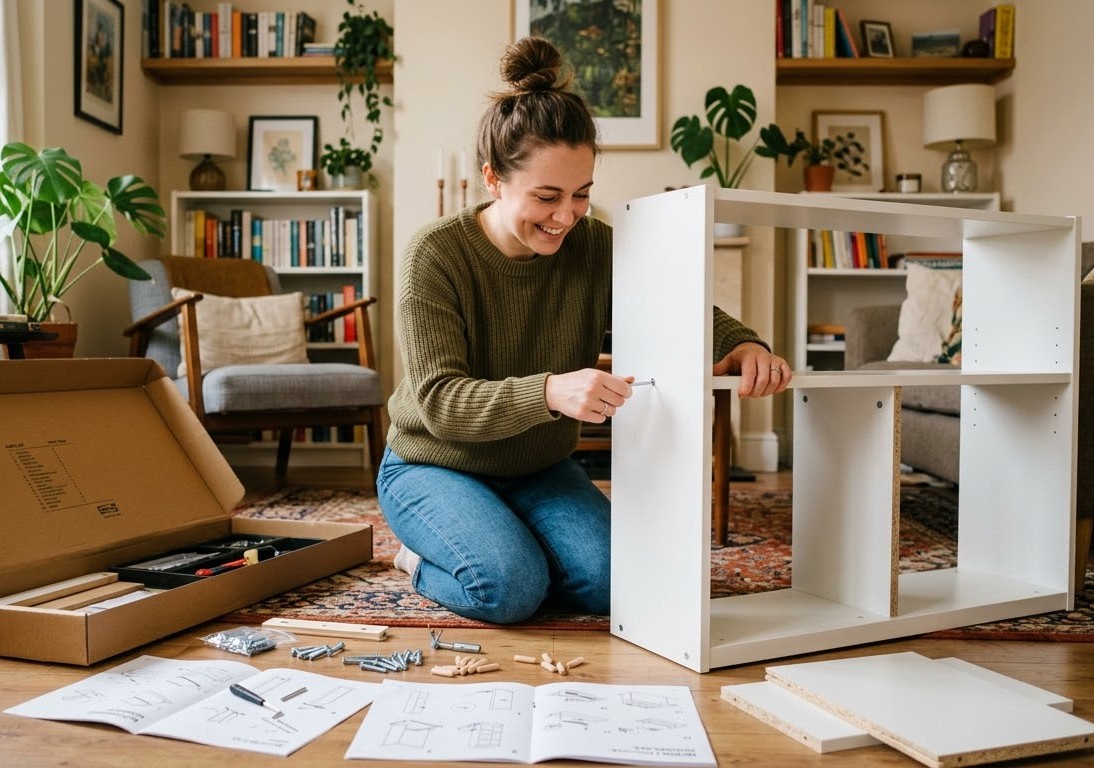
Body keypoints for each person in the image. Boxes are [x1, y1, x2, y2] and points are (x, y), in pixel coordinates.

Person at [376, 36, 792, 625]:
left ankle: (507, 540)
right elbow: (439, 403)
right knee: (509, 588)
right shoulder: (435, 254)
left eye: (582, 195)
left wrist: (741, 343)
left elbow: (673, 307)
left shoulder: (594, 246)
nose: (566, 216)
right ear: (493, 178)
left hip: (539, 467)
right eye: (546, 196)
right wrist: (549, 391)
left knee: (616, 582)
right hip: (434, 464)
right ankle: (419, 558)